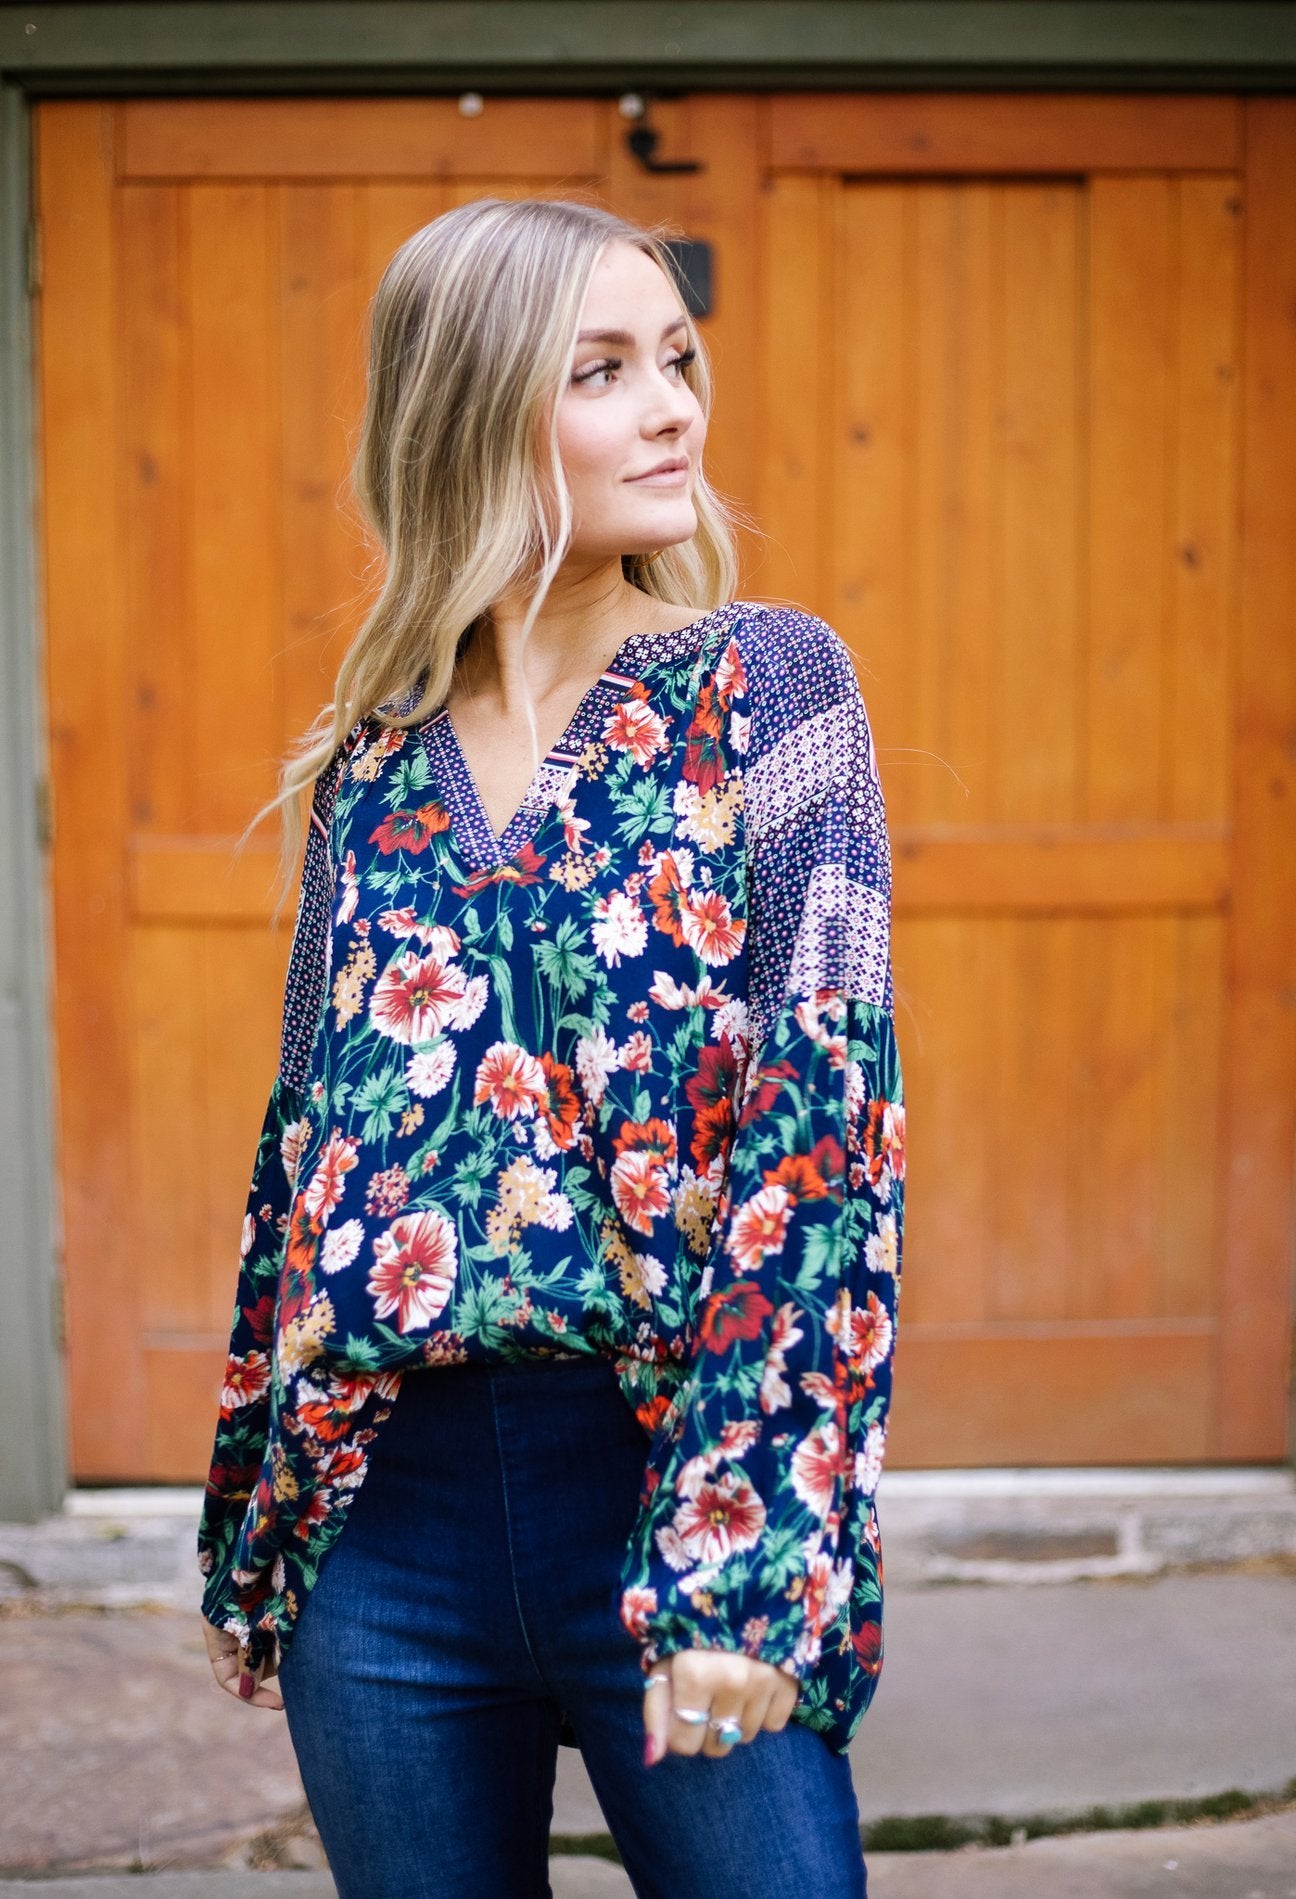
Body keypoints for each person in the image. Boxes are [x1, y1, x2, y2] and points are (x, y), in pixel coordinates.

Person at [196, 196, 905, 1899]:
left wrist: (755, 1555)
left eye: (677, 360)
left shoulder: (771, 689)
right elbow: (305, 1159)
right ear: (469, 410)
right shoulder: (373, 765)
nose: (675, 407)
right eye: (604, 371)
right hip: (388, 1531)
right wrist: (256, 1525)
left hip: (664, 1477)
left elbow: (828, 1144)